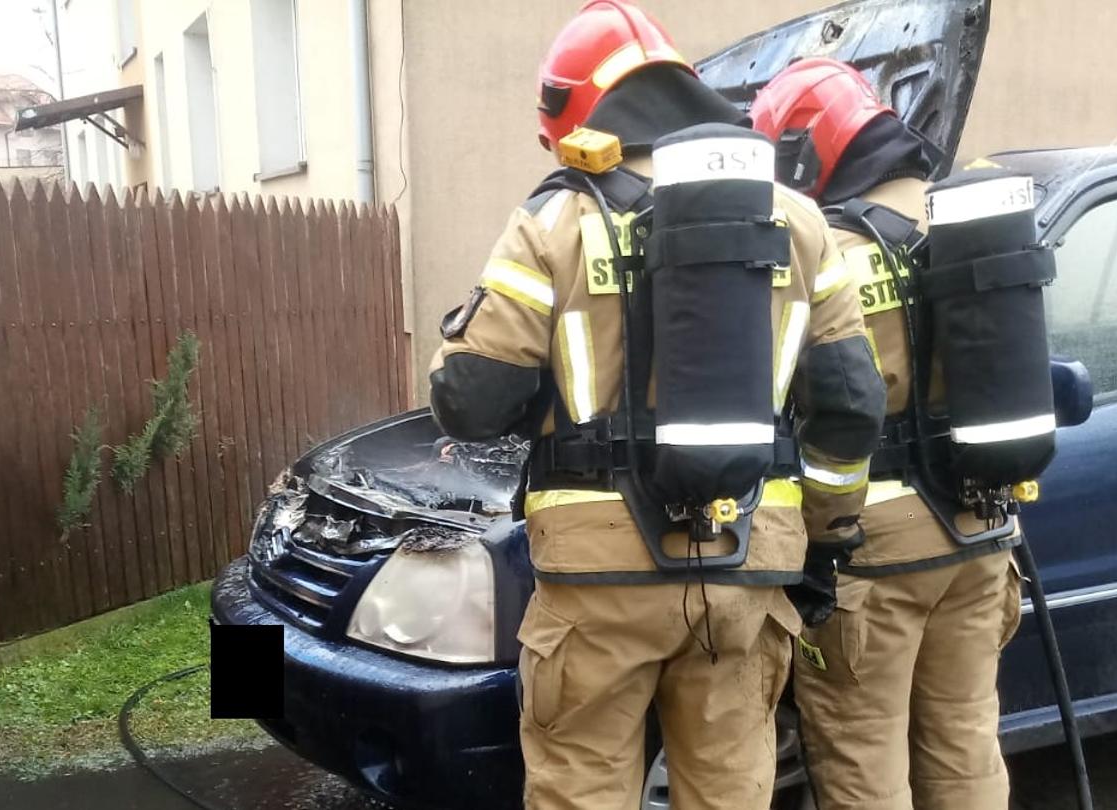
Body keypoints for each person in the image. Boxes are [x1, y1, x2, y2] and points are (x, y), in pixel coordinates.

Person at [426, 5, 885, 809]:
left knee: (581, 790)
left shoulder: (555, 223)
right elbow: (850, 406)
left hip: (597, 583)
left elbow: (470, 399)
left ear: (572, 118)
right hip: (749, 569)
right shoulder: (801, 222)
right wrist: (829, 536)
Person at [751, 58, 1024, 810]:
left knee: (863, 756)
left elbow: (786, 403)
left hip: (872, 553)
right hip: (981, 536)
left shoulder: (828, 252)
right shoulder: (972, 231)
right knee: (965, 742)